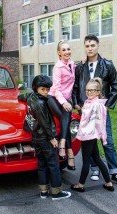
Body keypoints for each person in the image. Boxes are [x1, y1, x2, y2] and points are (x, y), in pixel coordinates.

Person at [72, 34, 117, 186]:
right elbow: (75, 88)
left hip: (101, 110)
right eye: (87, 46)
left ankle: (114, 172)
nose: (90, 48)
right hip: (85, 110)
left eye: (92, 45)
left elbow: (115, 87)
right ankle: (94, 168)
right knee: (89, 141)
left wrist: (106, 105)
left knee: (107, 141)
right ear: (84, 47)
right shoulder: (80, 67)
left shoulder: (107, 65)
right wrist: (77, 104)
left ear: (98, 46)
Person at [18, 75, 71, 200]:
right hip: (45, 138)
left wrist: (19, 94)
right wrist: (52, 138)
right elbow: (45, 123)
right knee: (53, 165)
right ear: (36, 88)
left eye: (48, 89)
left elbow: (21, 96)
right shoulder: (41, 103)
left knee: (42, 164)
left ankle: (43, 191)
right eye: (43, 89)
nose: (46, 92)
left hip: (35, 137)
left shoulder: (31, 96)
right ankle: (57, 192)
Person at [71, 78, 114, 192]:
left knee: (86, 160)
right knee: (97, 158)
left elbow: (92, 122)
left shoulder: (95, 105)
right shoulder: (91, 103)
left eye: (92, 90)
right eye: (87, 90)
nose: (89, 92)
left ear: (98, 92)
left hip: (88, 135)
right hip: (92, 135)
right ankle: (108, 183)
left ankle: (80, 185)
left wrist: (84, 110)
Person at [48, 40, 76, 170]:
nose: (67, 52)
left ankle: (63, 144)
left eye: (68, 49)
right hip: (53, 97)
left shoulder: (72, 64)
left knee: (66, 118)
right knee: (66, 118)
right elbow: (57, 89)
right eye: (63, 50)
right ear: (59, 53)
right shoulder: (57, 67)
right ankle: (68, 151)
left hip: (66, 98)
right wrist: (64, 102)